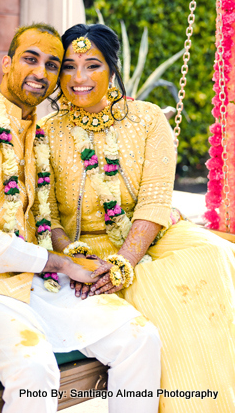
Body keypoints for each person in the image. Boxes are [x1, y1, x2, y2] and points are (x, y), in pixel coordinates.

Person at [0, 23, 162, 413]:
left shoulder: (38, 131)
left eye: (53, 65)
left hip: (36, 281)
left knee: (140, 338)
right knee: (37, 372)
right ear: (7, 63)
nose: (42, 73)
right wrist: (61, 263)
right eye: (30, 59)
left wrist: (70, 259)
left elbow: (44, 216)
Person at [42, 22, 235, 413]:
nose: (79, 78)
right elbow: (47, 216)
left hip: (153, 233)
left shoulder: (147, 120)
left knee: (212, 256)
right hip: (88, 247)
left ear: (111, 70)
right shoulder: (46, 132)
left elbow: (154, 199)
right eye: (69, 66)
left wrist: (124, 262)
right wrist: (73, 258)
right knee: (156, 289)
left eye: (92, 65)